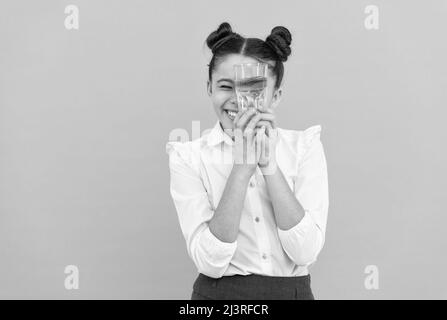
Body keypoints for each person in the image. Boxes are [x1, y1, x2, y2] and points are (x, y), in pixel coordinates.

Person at [166, 22, 329, 300]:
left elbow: (305, 252)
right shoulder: (188, 157)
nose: (238, 101)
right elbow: (210, 262)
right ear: (209, 88)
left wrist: (269, 165)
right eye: (225, 86)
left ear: (275, 95)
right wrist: (241, 169)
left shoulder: (304, 147)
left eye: (253, 89)